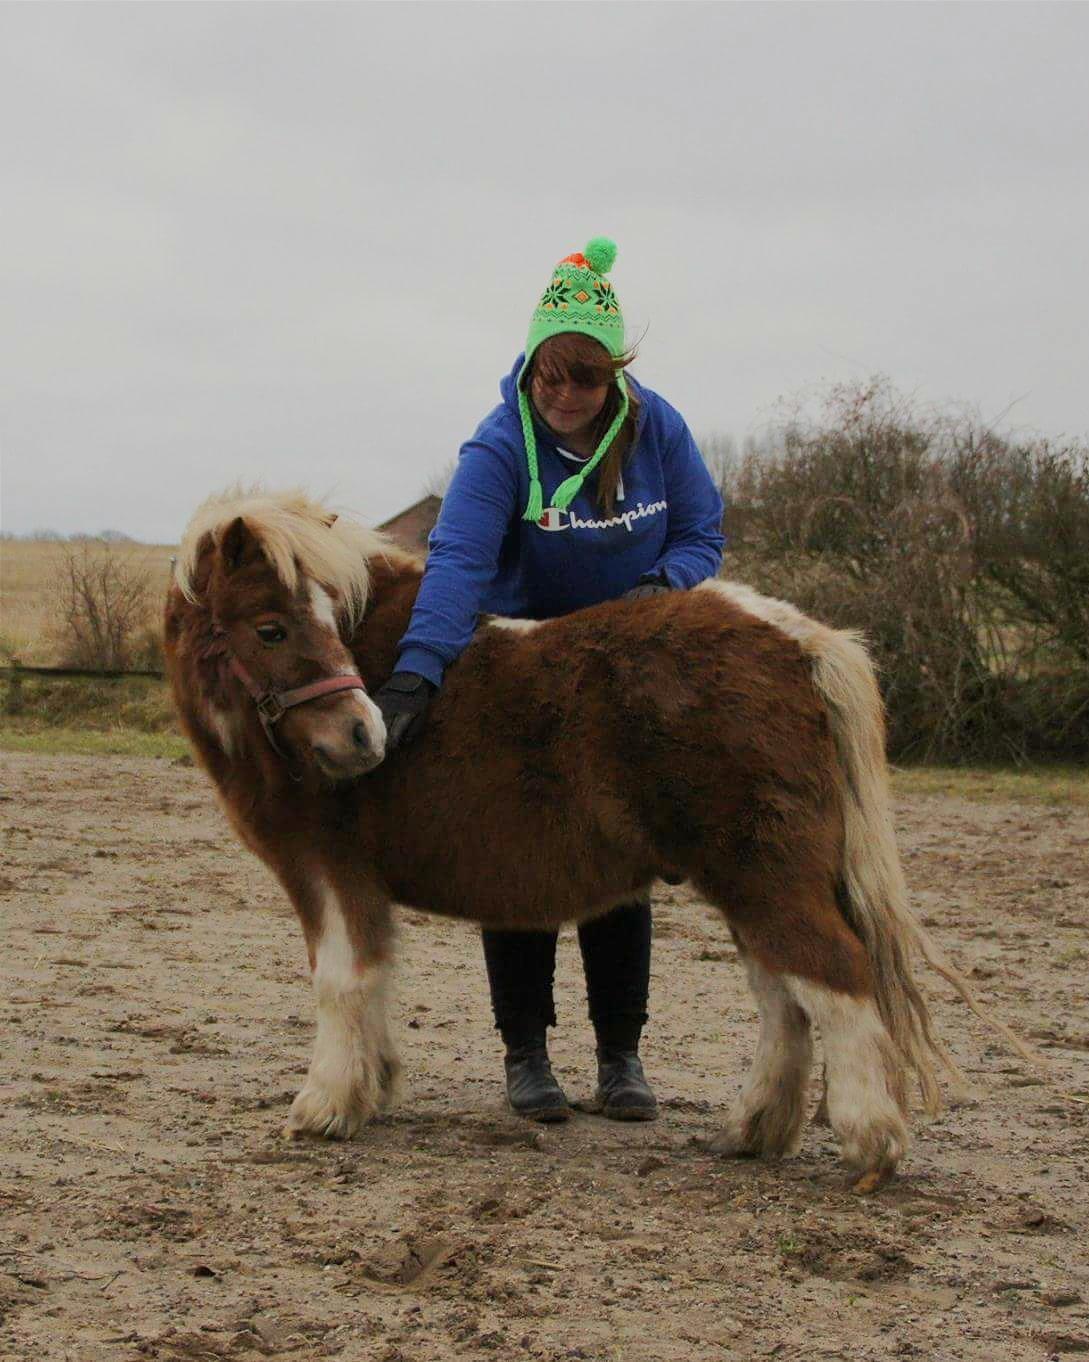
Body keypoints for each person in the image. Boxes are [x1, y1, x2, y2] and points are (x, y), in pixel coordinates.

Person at [374, 236, 725, 1124]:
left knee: (621, 861)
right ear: (529, 368)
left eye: (582, 380)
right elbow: (453, 560)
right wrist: (415, 677)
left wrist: (662, 589)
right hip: (521, 667)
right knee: (517, 857)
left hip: (625, 666)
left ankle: (621, 1057)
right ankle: (525, 1055)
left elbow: (700, 535)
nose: (562, 397)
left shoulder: (660, 429)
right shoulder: (497, 447)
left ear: (613, 381)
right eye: (547, 377)